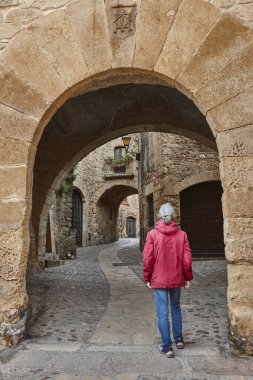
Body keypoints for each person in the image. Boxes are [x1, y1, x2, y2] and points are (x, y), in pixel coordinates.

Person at [142, 203, 193, 358]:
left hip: (159, 278)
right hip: (177, 277)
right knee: (176, 308)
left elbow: (147, 259)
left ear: (159, 215)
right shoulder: (182, 234)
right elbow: (187, 259)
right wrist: (187, 277)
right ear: (173, 216)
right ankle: (178, 340)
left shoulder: (152, 235)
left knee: (162, 312)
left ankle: (167, 347)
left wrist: (147, 276)